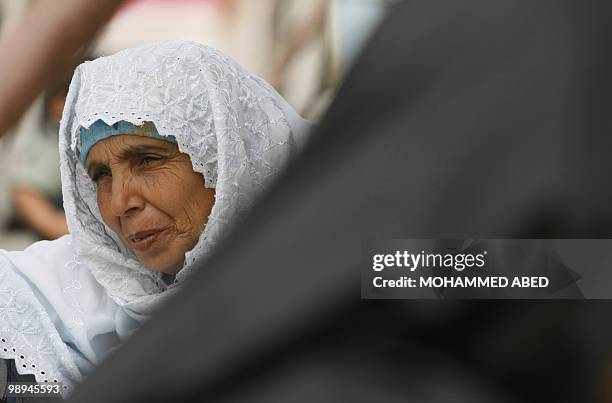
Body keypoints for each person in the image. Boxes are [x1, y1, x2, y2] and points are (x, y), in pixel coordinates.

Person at [0, 40, 310, 399]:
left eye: (148, 160)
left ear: (226, 158)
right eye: (101, 175)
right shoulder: (62, 293)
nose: (119, 204)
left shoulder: (351, 269)